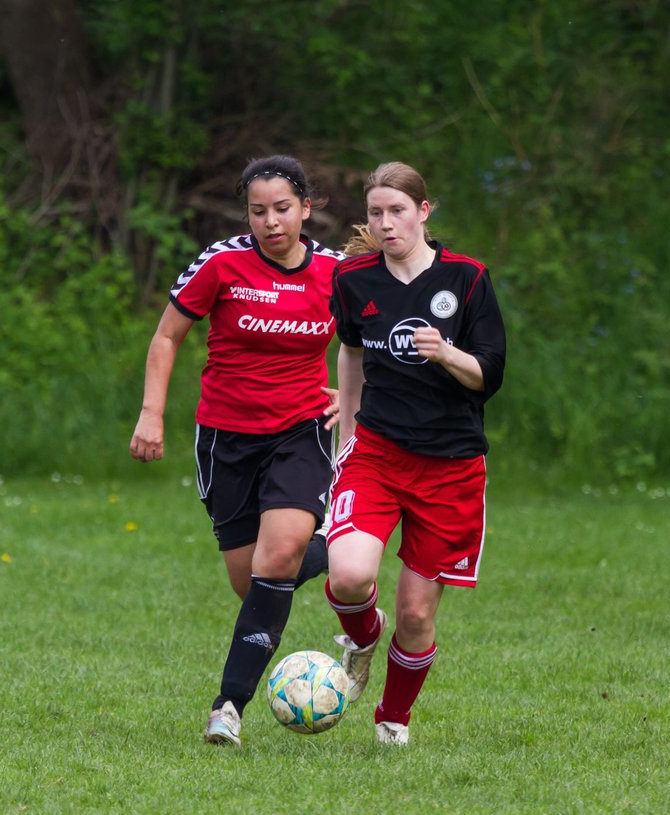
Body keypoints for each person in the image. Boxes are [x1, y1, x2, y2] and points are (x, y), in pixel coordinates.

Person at [129, 154, 344, 745]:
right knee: (252, 584)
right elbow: (167, 336)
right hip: (225, 439)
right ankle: (335, 550)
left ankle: (229, 705)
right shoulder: (222, 263)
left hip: (301, 431)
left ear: (306, 207)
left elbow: (375, 337)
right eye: (258, 211)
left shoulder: (336, 272)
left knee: (276, 561)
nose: (271, 222)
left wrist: (352, 397)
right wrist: (151, 413)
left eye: (282, 208)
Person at [325, 161, 506, 745]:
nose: (385, 223)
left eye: (397, 211)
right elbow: (349, 354)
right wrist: (345, 435)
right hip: (376, 452)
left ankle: (392, 721)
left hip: (451, 466)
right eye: (375, 213)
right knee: (350, 575)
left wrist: (447, 353)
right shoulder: (355, 280)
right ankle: (361, 635)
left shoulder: (468, 279)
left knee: (418, 616)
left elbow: (491, 376)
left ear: (424, 212)